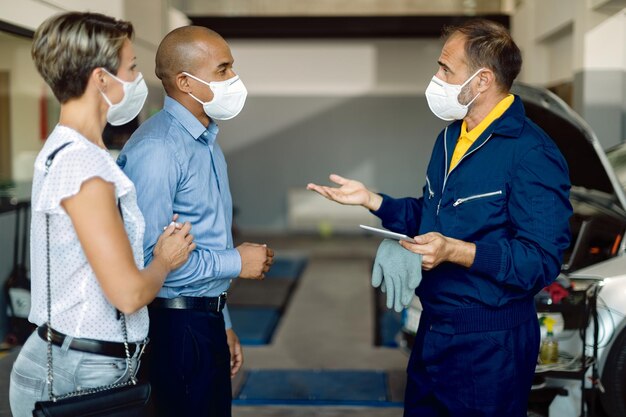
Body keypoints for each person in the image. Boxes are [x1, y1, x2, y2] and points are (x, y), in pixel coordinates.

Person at [307, 19, 572, 417]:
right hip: (433, 330)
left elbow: (541, 260)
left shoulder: (532, 153)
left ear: (482, 80)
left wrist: (457, 252)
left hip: (490, 341)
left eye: (446, 69)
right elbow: (433, 217)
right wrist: (372, 200)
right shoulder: (450, 137)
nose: (436, 77)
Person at [9, 12, 195, 417]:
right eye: (131, 68)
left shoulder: (67, 149)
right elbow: (127, 294)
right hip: (79, 372)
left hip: (74, 360)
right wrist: (165, 260)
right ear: (101, 79)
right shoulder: (84, 167)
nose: (136, 79)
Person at [118, 25, 274, 417]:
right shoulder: (158, 150)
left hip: (204, 319)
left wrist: (222, 320)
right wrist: (237, 262)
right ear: (186, 82)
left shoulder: (204, 141)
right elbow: (148, 260)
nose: (234, 80)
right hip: (173, 326)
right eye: (223, 70)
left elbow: (205, 237)